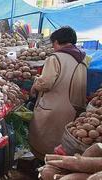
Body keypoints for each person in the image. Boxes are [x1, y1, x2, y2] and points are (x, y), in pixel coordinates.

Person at [29, 26, 87, 160]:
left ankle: (44, 166)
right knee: (62, 142)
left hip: (53, 109)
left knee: (45, 141)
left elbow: (46, 83)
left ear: (56, 42)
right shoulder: (83, 59)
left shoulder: (56, 57)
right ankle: (57, 165)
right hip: (73, 108)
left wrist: (36, 82)